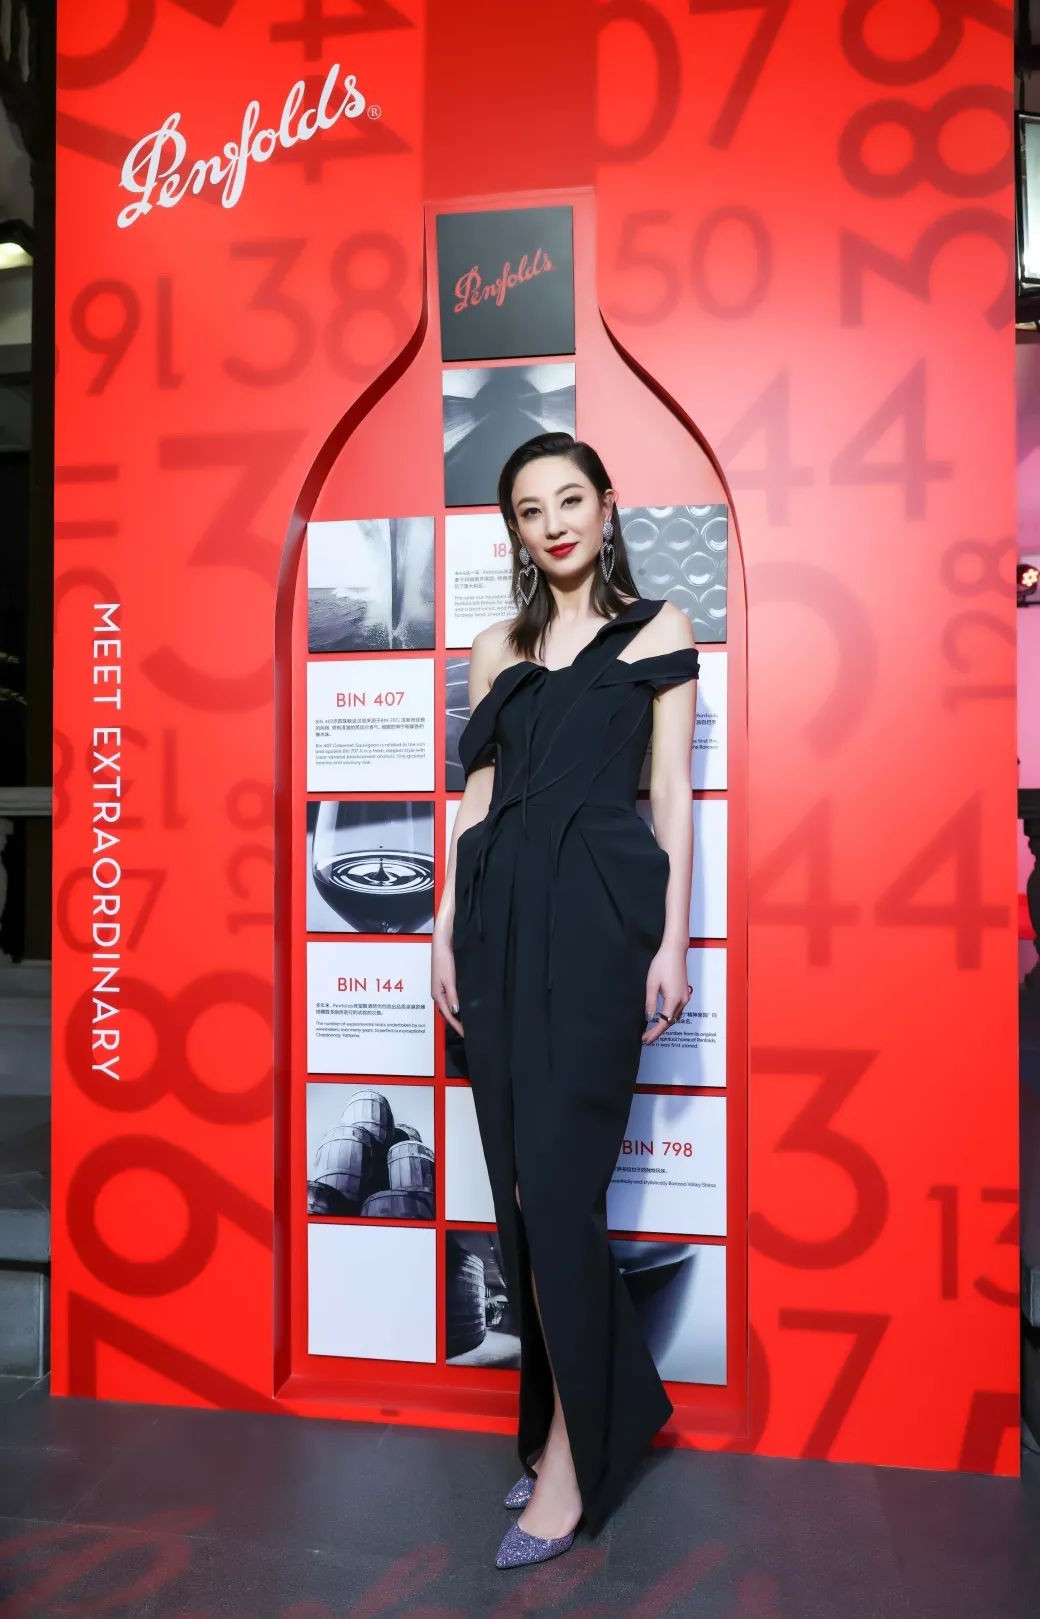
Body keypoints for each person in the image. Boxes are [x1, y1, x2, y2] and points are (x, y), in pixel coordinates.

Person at [432, 431, 700, 1569]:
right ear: (515, 531)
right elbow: (478, 798)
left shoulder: (661, 629)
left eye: (570, 499)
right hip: (497, 920)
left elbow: (671, 795)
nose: (554, 523)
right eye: (531, 509)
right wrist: (445, 926)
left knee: (559, 1185)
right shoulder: (497, 646)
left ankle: (573, 1459)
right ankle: (575, 1417)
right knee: (519, 1192)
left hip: (596, 920)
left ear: (606, 505)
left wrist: (671, 939)